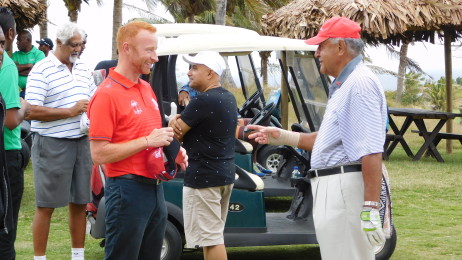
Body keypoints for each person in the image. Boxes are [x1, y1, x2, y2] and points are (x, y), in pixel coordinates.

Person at [247, 17, 387, 260]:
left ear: (341, 47)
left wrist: (370, 208)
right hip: (334, 186)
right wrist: (281, 136)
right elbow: (327, 140)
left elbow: (371, 151)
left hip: (344, 187)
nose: (317, 53)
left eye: (322, 46)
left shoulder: (360, 84)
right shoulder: (345, 85)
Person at [87, 21, 188, 260]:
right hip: (126, 190)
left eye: (155, 50)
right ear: (127, 48)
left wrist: (174, 150)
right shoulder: (106, 95)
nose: (155, 57)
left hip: (154, 189)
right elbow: (99, 154)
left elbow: (155, 131)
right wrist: (146, 141)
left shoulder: (145, 87)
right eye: (149, 50)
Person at [25, 22, 96, 260]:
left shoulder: (84, 68)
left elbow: (93, 101)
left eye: (82, 44)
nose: (79, 49)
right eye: (74, 45)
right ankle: (40, 258)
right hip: (52, 143)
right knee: (47, 205)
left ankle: (78, 256)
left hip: (81, 143)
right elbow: (30, 111)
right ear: (58, 43)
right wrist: (69, 112)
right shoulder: (41, 69)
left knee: (80, 202)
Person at [169, 51, 236, 260]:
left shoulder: (203, 101)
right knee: (211, 238)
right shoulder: (228, 97)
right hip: (223, 175)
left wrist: (173, 122)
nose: (189, 73)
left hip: (204, 178)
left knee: (212, 238)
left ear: (210, 73)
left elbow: (175, 133)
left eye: (194, 68)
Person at [0, 9, 31, 260]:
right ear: (11, 33)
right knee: (6, 233)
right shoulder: (8, 65)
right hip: (7, 154)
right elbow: (10, 121)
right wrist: (24, 107)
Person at [12, 30, 45, 98]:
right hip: (17, 92)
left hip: (34, 92)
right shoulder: (15, 55)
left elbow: (37, 72)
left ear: (28, 40)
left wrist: (18, 70)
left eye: (19, 40)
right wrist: (29, 66)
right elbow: (12, 69)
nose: (17, 42)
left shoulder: (39, 54)